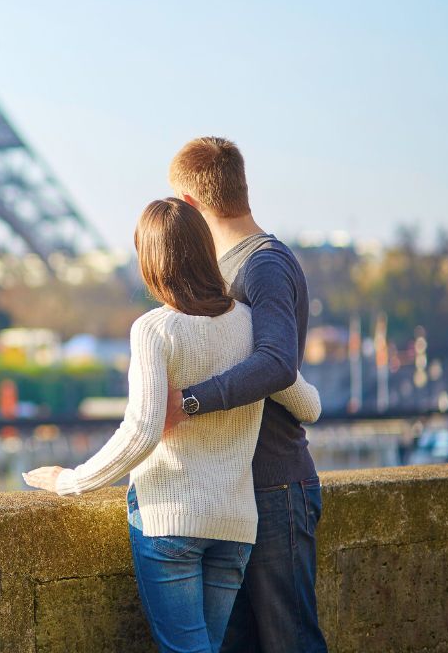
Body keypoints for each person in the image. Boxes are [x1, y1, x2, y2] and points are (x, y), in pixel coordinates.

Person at [24, 198, 320, 653]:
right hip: (235, 526)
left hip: (170, 519)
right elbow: (309, 404)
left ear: (150, 263)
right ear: (205, 250)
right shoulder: (248, 327)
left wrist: (71, 480)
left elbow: (142, 430)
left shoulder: (153, 330)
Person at [163, 137, 329, 652]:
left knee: (289, 642)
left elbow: (279, 363)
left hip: (275, 486)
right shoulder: (237, 267)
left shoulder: (263, 266)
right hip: (240, 491)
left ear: (190, 206)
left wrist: (189, 400)